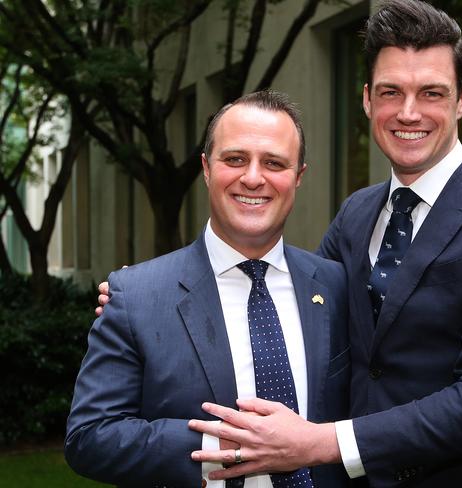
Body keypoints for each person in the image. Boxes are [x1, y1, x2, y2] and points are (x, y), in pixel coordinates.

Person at [184, 1, 462, 487]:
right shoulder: (357, 212)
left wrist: (321, 444)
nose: (408, 112)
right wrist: (156, 300)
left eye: (431, 93)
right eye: (391, 92)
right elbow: (298, 314)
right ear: (366, 100)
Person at [65, 90, 351, 488]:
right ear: (206, 167)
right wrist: (222, 444)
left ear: (298, 176)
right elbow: (89, 438)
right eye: (235, 159)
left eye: (274, 163)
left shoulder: (337, 287)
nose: (253, 177)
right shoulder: (136, 295)